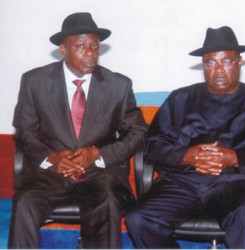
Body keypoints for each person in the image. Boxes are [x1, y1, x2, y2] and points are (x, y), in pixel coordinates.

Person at [125, 26, 245, 248]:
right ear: (203, 65)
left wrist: (234, 158)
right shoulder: (180, 99)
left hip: (236, 182)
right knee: (138, 217)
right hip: (183, 182)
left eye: (226, 62)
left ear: (239, 62)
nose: (219, 70)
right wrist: (186, 156)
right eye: (210, 63)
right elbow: (153, 145)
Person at [8, 12, 147, 248]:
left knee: (108, 200)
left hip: (99, 173)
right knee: (25, 204)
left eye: (95, 45)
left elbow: (138, 132)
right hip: (49, 173)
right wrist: (52, 157)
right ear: (63, 48)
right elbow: (24, 131)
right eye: (81, 46)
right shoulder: (35, 81)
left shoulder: (118, 85)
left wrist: (98, 155)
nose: (91, 52)